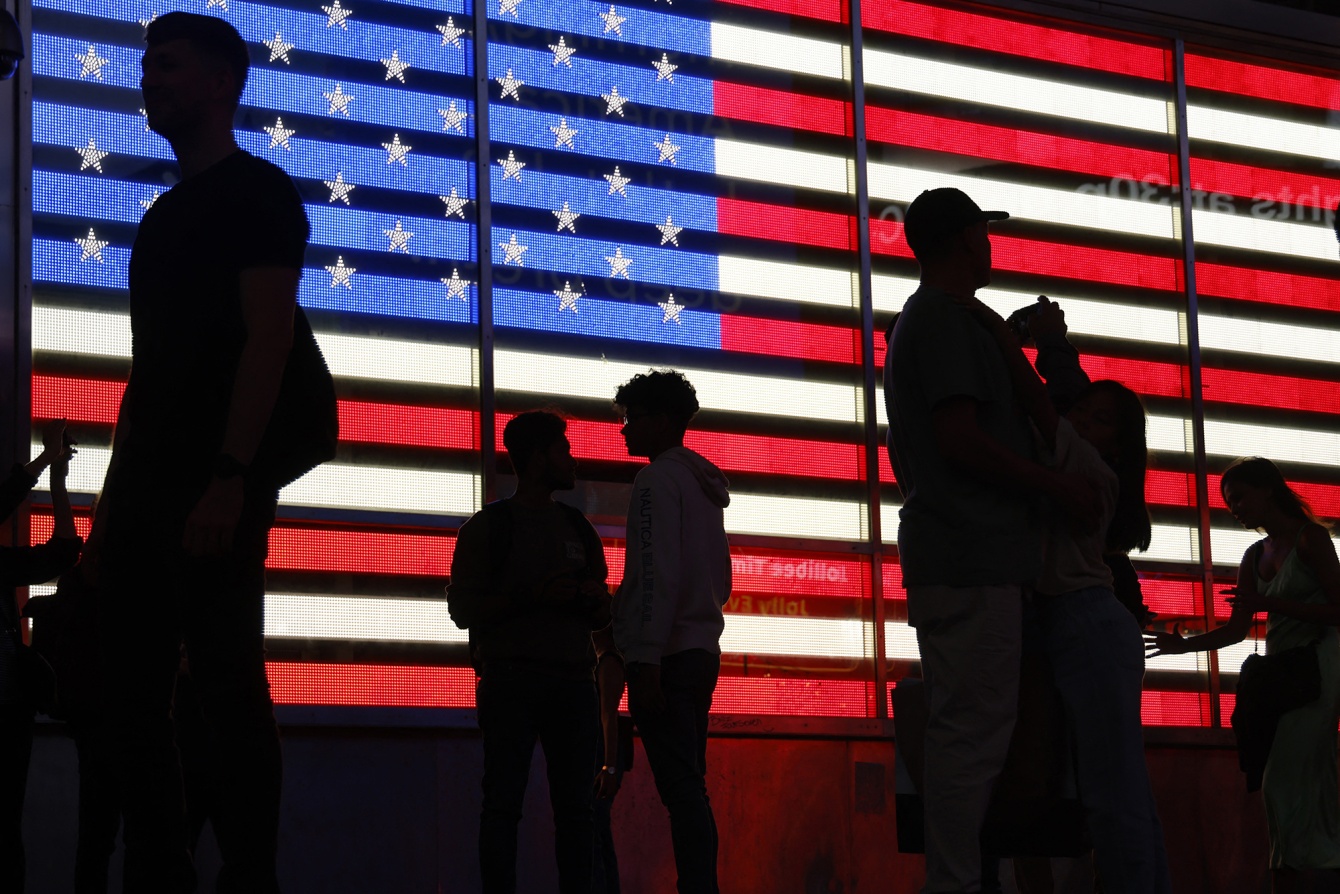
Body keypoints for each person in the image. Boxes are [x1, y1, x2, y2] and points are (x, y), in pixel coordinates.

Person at [82, 12, 334, 892]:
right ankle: (161, 870)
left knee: (225, 682)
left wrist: (230, 479)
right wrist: (109, 519)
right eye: (147, 66)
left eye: (170, 66)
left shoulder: (257, 194)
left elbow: (266, 337)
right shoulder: (160, 219)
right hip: (153, 487)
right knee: (134, 702)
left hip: (210, 484)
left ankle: (246, 873)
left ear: (226, 82)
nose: (150, 80)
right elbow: (146, 380)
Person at [884, 187, 1098, 894]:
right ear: (968, 240)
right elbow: (960, 439)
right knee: (972, 738)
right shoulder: (944, 323)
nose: (990, 244)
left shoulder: (940, 321)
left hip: (961, 556)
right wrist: (1051, 484)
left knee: (968, 732)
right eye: (984, 232)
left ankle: (957, 879)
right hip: (972, 557)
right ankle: (954, 883)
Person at [965, 296, 1172, 892]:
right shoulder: (1080, 464)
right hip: (1082, 622)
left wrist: (1034, 340)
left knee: (1110, 791)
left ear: (1117, 446)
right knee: (1117, 786)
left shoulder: (1087, 469)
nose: (1083, 420)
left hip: (1084, 621)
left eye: (1101, 419)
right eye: (1084, 411)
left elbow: (1043, 404)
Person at [1147, 457, 1340, 893]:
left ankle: (1297, 871)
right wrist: (1184, 645)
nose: (1234, 509)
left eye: (1238, 499)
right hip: (1283, 678)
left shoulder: (1311, 540)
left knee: (1286, 779)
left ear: (1268, 489)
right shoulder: (1254, 555)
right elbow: (1236, 630)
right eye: (1229, 503)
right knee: (1294, 778)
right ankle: (1306, 866)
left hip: (1316, 671)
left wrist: (1272, 606)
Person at [447, 411, 611, 894]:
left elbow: (601, 615)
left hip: (562, 685)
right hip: (517, 684)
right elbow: (463, 609)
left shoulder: (573, 527)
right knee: (517, 808)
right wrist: (538, 597)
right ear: (538, 460)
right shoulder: (492, 528)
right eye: (562, 449)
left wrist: (593, 602)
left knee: (549, 811)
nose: (572, 460)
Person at [612, 369, 731, 894]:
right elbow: (715, 575)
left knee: (681, 790)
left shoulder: (656, 480)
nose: (623, 430)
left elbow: (655, 572)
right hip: (701, 647)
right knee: (691, 787)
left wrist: (646, 658)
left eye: (631, 418)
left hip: (667, 655)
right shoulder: (702, 483)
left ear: (661, 422)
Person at [0, 420, 80, 892]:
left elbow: (61, 554)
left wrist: (53, 478)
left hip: (10, 716)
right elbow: (61, 554)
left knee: (8, 831)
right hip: (10, 714)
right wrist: (48, 469)